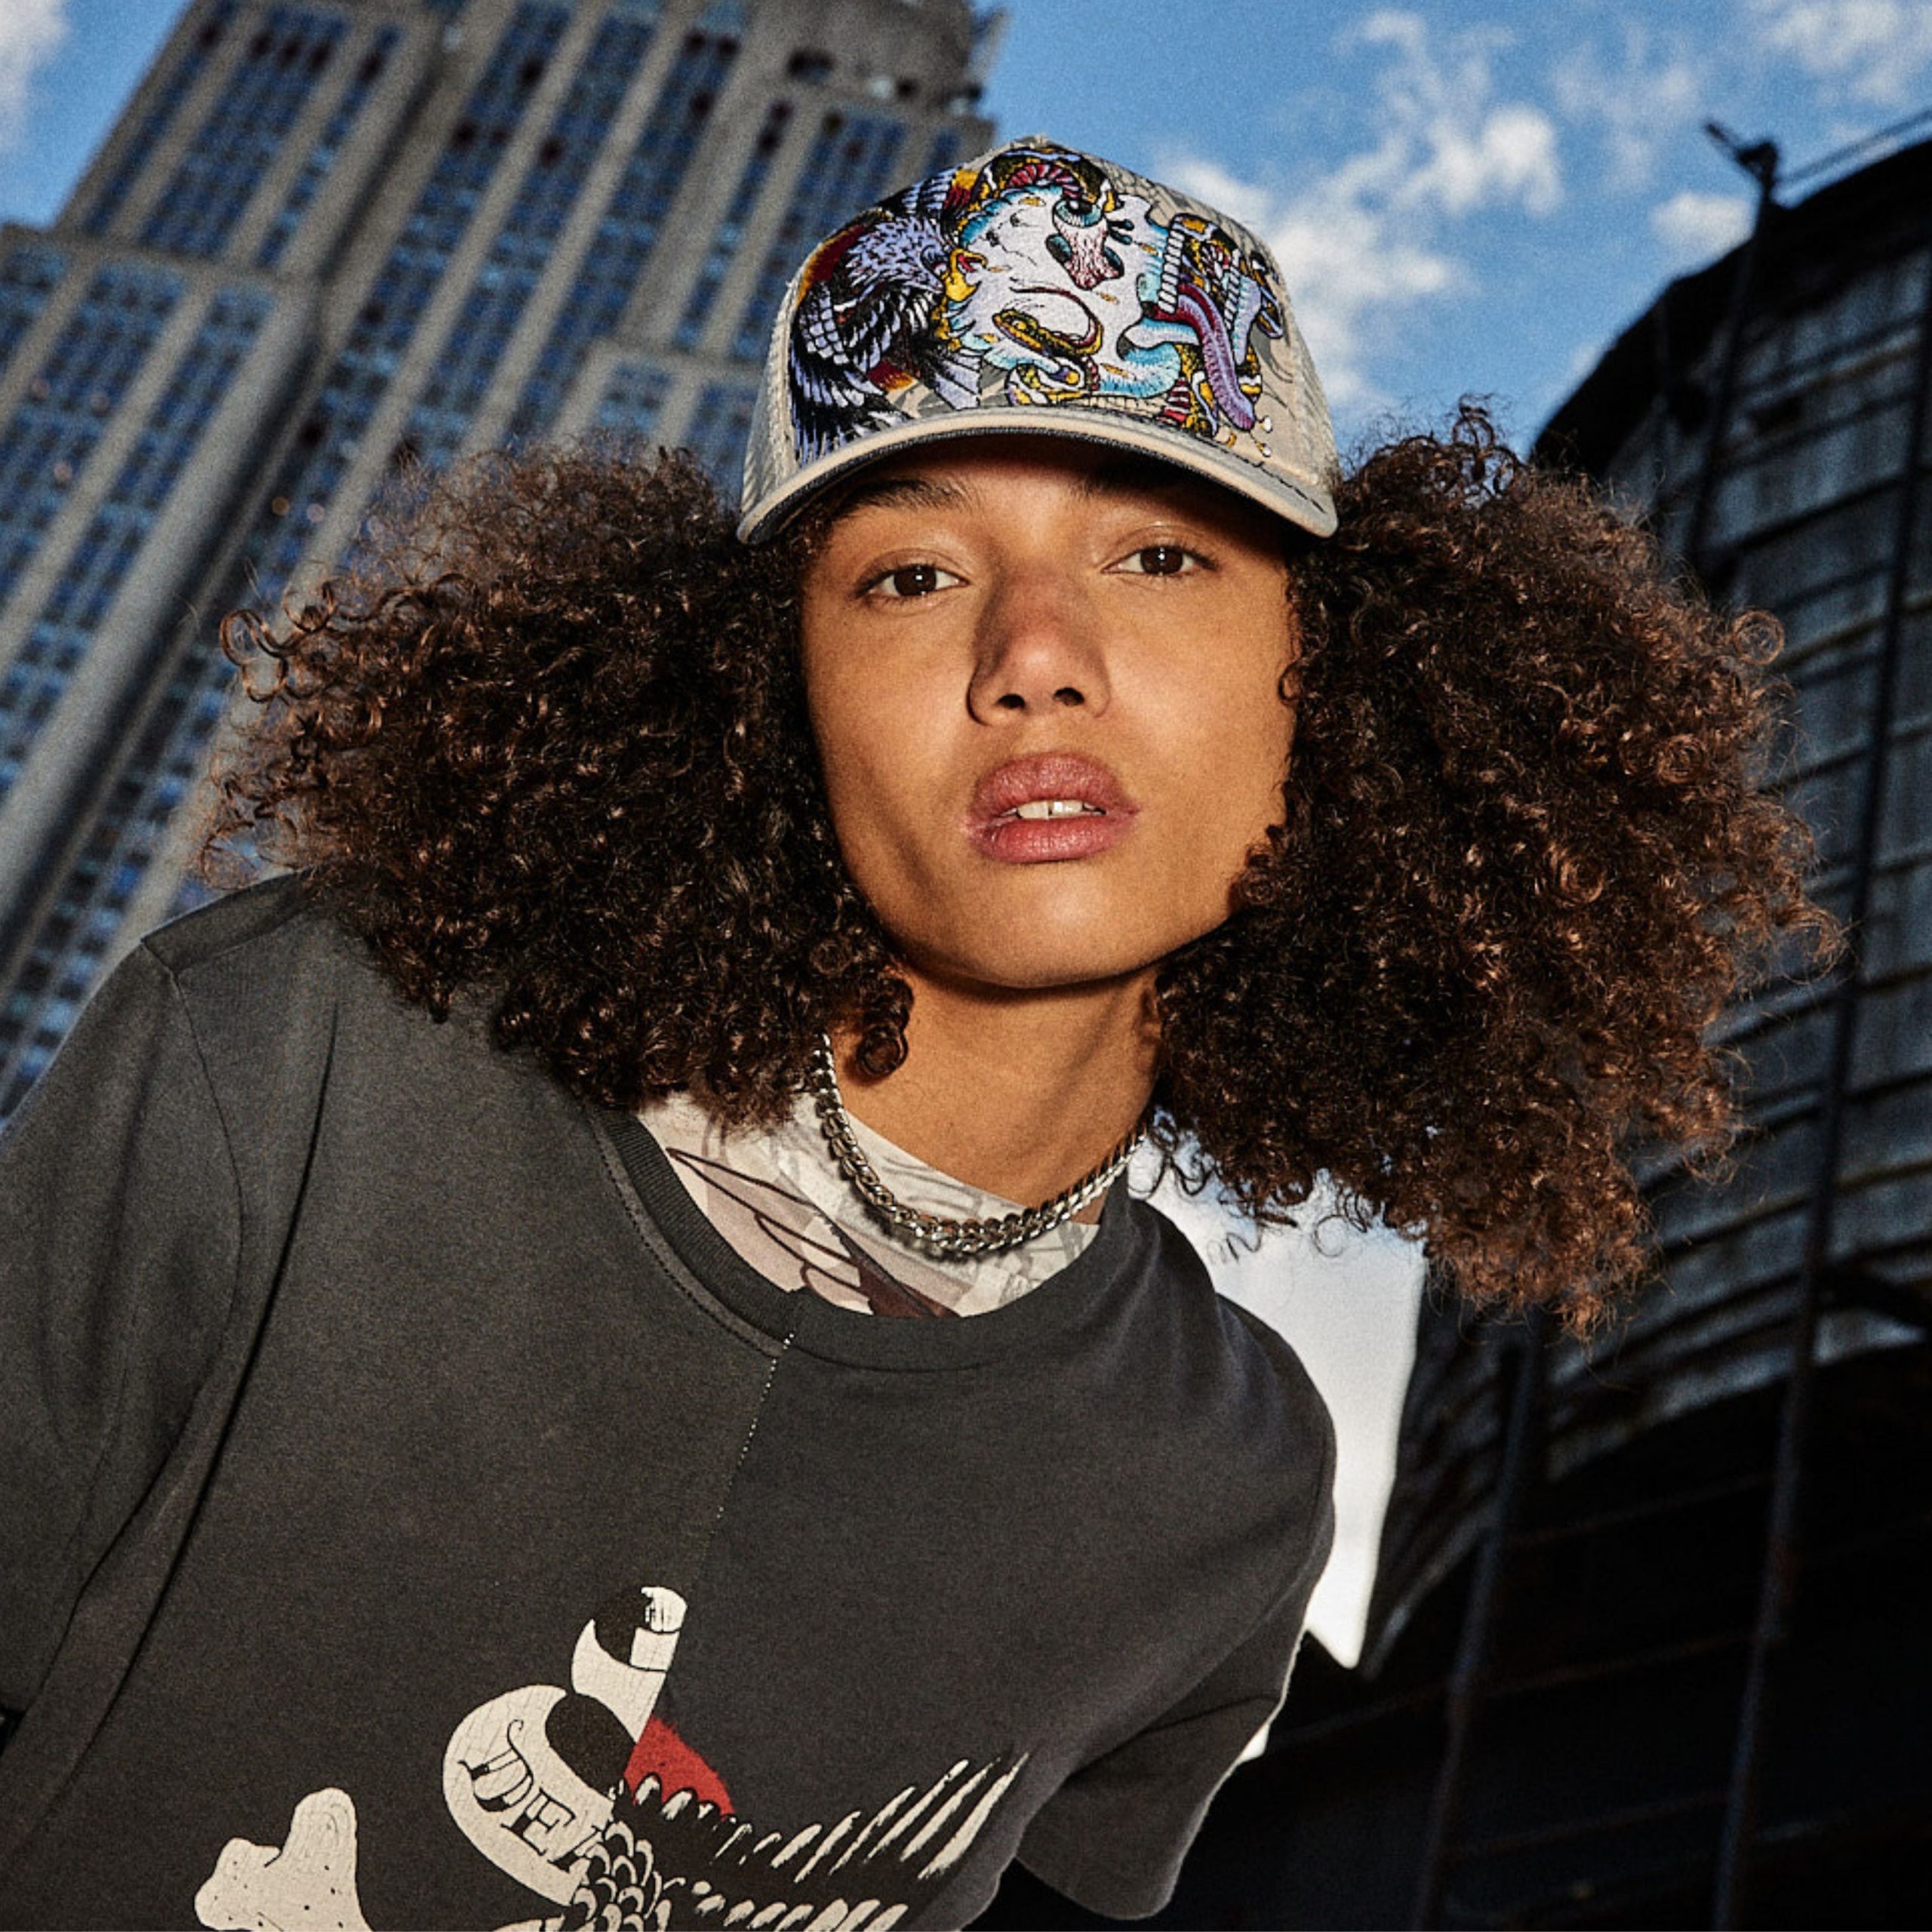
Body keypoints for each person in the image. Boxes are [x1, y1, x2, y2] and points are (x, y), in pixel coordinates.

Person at [0, 139, 1826, 1930]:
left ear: (1332, 687)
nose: (1032, 652)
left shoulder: (1225, 1487)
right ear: (767, 689)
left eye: (1158, 554)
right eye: (908, 575)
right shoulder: (298, 1058)